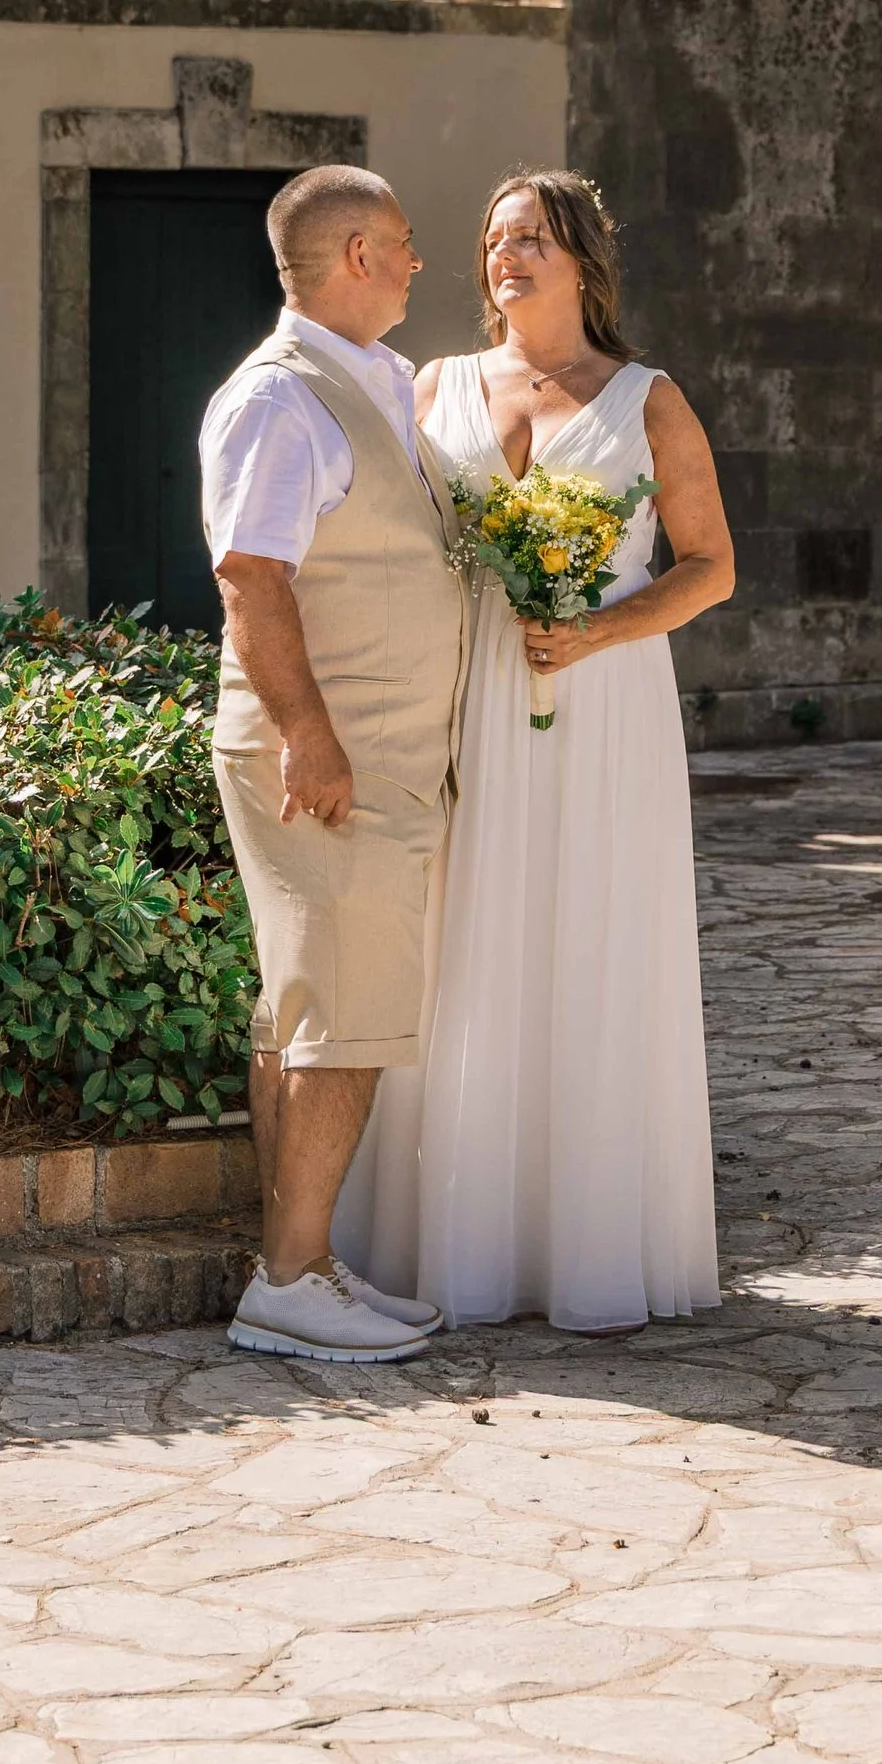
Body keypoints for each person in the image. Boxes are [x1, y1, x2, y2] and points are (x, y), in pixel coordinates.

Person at [337, 169, 732, 1331]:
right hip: (463, 695)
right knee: (465, 942)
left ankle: (589, 1251)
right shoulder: (433, 387)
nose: (507, 258)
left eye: (534, 241)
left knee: (591, 941)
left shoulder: (648, 400)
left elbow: (709, 567)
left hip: (601, 708)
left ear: (583, 264)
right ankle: (458, 1246)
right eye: (495, 240)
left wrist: (596, 628)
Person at [199, 165, 468, 1363]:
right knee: (346, 1021)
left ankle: (298, 1262)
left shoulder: (382, 384)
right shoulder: (278, 400)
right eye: (406, 245)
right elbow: (252, 576)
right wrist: (311, 736)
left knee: (303, 1013)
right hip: (329, 759)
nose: (419, 264)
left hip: (381, 753)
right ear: (357, 254)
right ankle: (291, 1282)